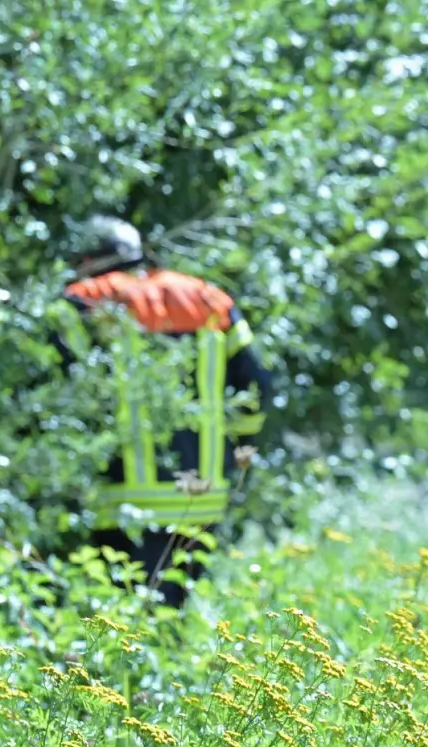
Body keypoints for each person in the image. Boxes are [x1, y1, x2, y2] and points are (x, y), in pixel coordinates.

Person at [55, 214, 273, 608]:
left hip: (122, 495)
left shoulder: (84, 300)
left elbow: (55, 389)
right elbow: (256, 385)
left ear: (88, 259)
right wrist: (240, 447)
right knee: (171, 619)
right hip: (201, 495)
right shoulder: (210, 300)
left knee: (121, 622)